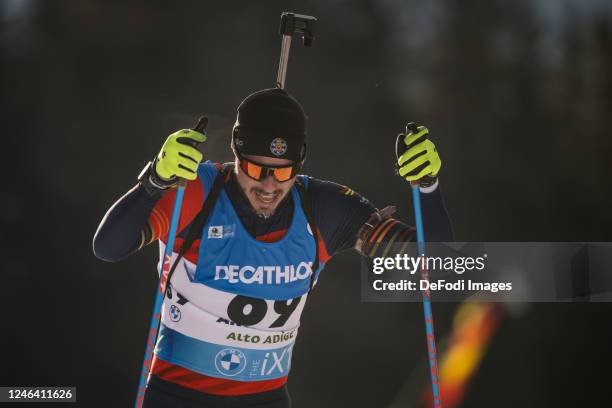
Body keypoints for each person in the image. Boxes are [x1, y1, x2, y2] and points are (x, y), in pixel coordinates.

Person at [93, 88, 453, 408]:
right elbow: (109, 246)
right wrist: (155, 181)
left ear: (299, 165)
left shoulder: (323, 211)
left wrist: (427, 186)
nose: (268, 186)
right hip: (176, 397)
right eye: (255, 168)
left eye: (282, 173)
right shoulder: (194, 193)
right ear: (235, 153)